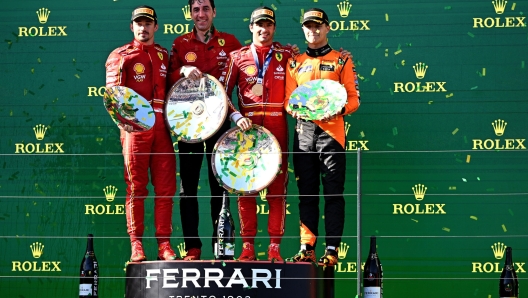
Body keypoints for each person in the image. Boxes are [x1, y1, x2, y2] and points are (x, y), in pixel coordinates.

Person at [284, 8, 360, 266]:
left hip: (332, 133)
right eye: (308, 26)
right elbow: (288, 101)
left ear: (327, 28)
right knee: (306, 193)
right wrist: (297, 109)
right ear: (303, 29)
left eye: (318, 26)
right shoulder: (294, 62)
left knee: (333, 192)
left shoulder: (342, 60)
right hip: (304, 133)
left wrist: (334, 110)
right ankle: (307, 247)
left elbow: (353, 99)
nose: (313, 31)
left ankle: (332, 249)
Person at [167, 0, 243, 261]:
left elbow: (250, 62)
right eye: (196, 10)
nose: (201, 14)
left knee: (219, 185)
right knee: (187, 186)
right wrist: (182, 70)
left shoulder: (231, 42)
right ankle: (192, 247)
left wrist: (283, 50)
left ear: (214, 12)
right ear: (190, 13)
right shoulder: (180, 44)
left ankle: (221, 244)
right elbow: (167, 79)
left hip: (219, 120)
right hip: (188, 121)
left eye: (206, 9)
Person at [105, 5, 178, 261]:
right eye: (139, 23)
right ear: (132, 27)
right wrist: (128, 126)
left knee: (166, 188)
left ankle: (164, 245)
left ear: (156, 27)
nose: (143, 28)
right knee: (136, 187)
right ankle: (136, 244)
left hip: (162, 126)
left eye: (148, 23)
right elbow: (113, 99)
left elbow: (174, 87)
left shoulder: (163, 54)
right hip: (134, 127)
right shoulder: (120, 55)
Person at [220, 7, 293, 261]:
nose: (264, 29)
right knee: (245, 187)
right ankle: (247, 246)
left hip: (277, 126)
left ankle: (274, 247)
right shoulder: (237, 57)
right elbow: (221, 93)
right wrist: (236, 116)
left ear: (274, 28)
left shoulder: (287, 55)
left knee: (277, 190)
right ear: (251, 27)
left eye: (268, 25)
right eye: (259, 25)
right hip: (246, 129)